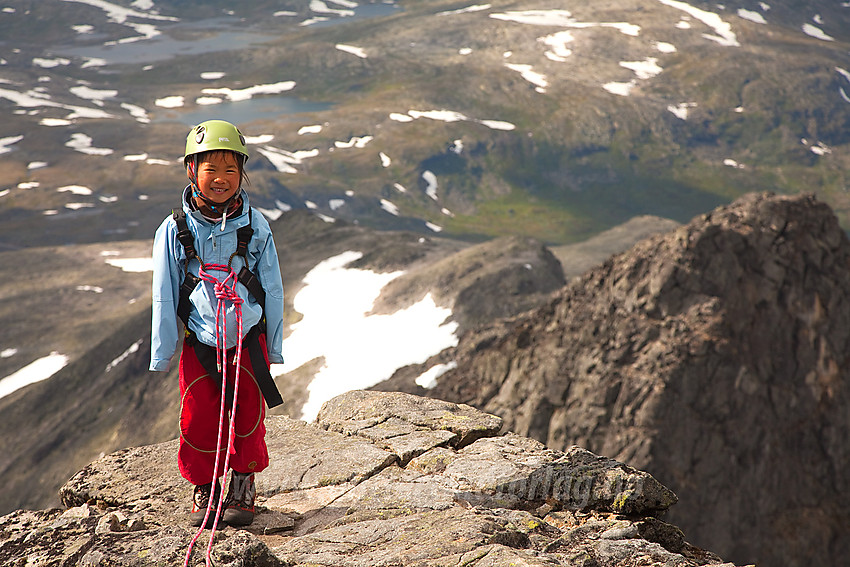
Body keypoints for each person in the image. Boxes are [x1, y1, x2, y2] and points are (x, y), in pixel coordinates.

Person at [150, 119, 284, 529]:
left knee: (247, 413)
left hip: (248, 339)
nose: (222, 179)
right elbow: (164, 293)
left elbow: (273, 288)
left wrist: (274, 346)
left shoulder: (255, 225)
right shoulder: (175, 229)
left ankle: (242, 484)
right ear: (193, 171)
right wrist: (163, 351)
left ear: (242, 173)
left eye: (231, 170)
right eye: (211, 170)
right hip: (201, 340)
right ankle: (206, 485)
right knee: (198, 416)